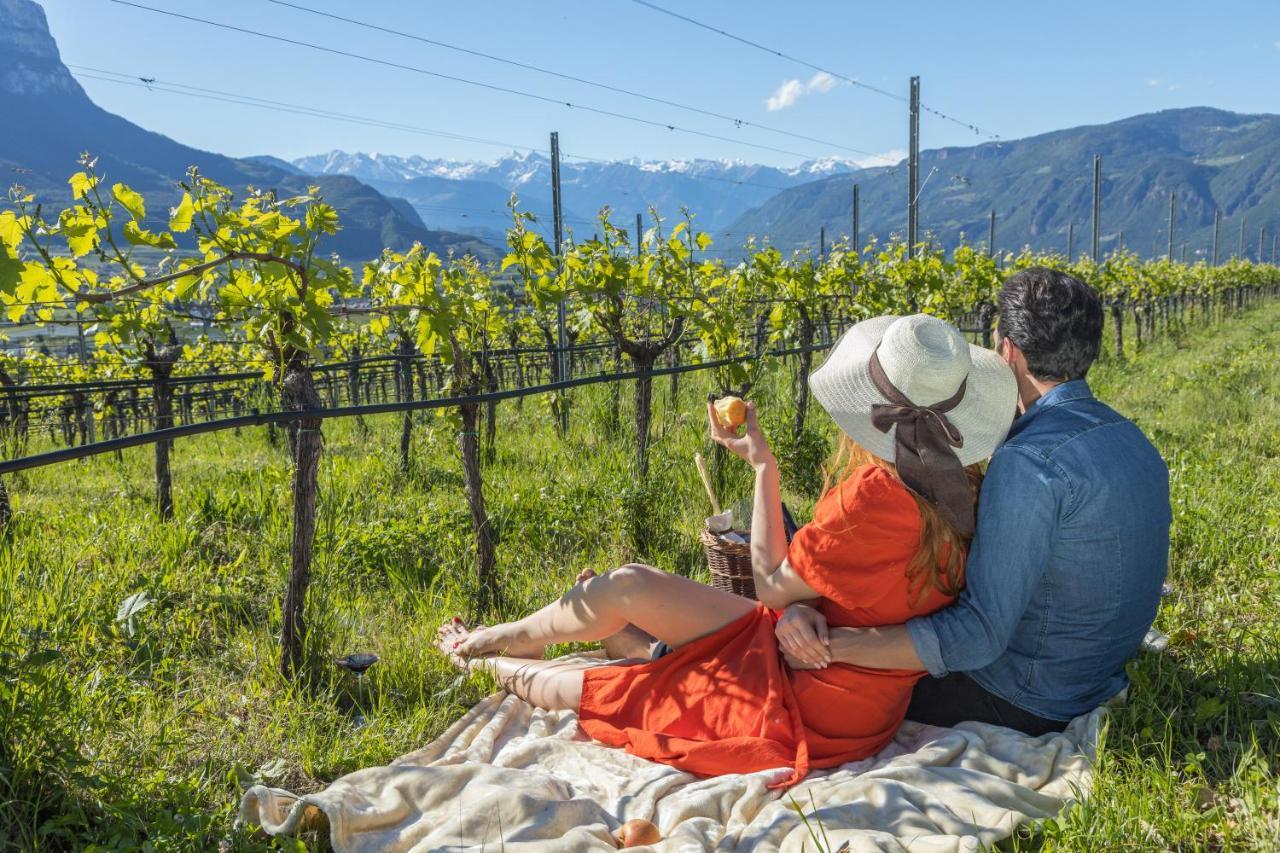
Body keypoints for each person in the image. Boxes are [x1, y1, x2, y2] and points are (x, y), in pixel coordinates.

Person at [435, 313, 1018, 786]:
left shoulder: (873, 495)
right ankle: (548, 635)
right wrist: (801, 607)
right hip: (845, 688)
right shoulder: (968, 487)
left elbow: (769, 583)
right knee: (631, 583)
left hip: (803, 699)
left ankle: (485, 654)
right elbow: (845, 591)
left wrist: (765, 468)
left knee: (599, 692)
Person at [776, 267, 1172, 735]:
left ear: (1009, 351)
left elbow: (978, 637)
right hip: (1092, 676)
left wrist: (831, 644)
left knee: (792, 660)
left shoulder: (1028, 462)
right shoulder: (1128, 436)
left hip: (1025, 698)